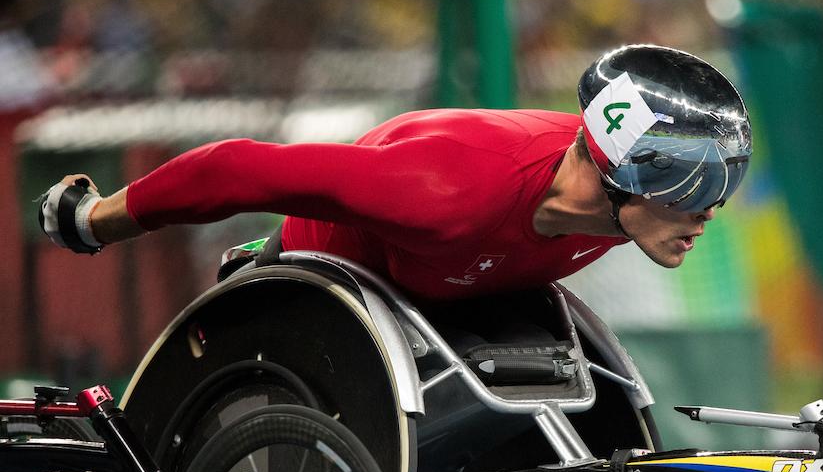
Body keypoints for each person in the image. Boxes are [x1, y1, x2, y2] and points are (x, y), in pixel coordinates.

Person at [37, 44, 752, 302]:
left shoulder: (633, 208)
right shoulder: (445, 190)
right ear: (616, 170)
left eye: (717, 181)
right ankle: (260, 262)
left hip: (473, 278)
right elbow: (241, 168)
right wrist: (95, 218)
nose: (708, 208)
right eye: (690, 182)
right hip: (336, 268)